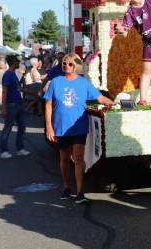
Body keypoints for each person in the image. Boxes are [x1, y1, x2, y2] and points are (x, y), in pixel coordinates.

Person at [44, 53, 114, 204]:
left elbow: (99, 98)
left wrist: (114, 104)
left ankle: (80, 192)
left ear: (76, 66)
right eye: (64, 63)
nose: (66, 66)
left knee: (78, 158)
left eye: (69, 64)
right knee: (64, 158)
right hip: (61, 127)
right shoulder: (55, 82)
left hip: (79, 126)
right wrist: (49, 127)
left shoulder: (84, 83)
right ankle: (67, 187)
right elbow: (48, 104)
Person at [0, 55, 29, 159]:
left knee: (22, 127)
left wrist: (32, 93)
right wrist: (3, 107)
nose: (19, 63)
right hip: (11, 105)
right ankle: (3, 151)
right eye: (18, 62)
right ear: (14, 62)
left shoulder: (13, 74)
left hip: (18, 104)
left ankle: (20, 149)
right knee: (8, 128)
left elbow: (18, 89)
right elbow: (4, 91)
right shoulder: (8, 75)